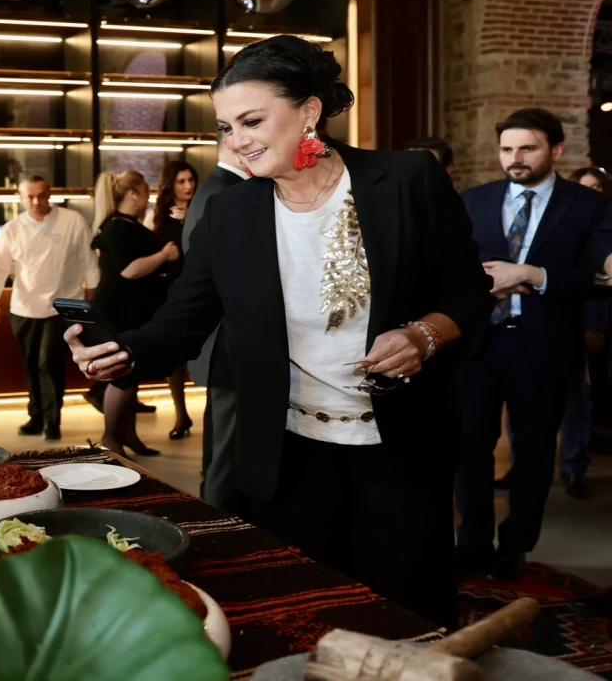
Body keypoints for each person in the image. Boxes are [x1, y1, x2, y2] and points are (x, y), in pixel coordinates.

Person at [65, 35, 492, 627]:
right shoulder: (231, 214)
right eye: (225, 127)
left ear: (310, 111)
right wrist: (121, 351)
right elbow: (184, 321)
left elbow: (469, 293)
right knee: (302, 611)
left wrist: (424, 334)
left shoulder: (406, 179)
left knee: (405, 613)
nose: (237, 140)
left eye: (251, 120)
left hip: (398, 448)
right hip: (286, 452)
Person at [457, 111, 612, 584]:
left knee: (533, 453)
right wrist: (478, 281)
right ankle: (474, 542)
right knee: (470, 450)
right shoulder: (473, 200)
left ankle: (516, 544)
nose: (515, 159)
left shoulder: (588, 206)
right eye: (507, 149)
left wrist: (533, 275)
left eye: (527, 149)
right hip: (477, 347)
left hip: (543, 347)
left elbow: (601, 279)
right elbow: (447, 265)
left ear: (556, 150)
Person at [0, 177, 99, 440]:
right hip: (23, 307)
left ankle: (52, 420)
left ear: (50, 194)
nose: (36, 202)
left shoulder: (72, 220)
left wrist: (92, 292)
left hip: (61, 305)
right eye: (30, 197)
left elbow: (88, 257)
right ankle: (36, 415)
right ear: (21, 198)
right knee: (30, 364)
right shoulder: (13, 228)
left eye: (41, 195)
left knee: (49, 363)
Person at [91, 170, 179, 457]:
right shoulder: (119, 227)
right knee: (122, 373)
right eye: (145, 190)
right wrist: (164, 256)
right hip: (120, 310)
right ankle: (111, 437)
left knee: (131, 371)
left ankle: (128, 434)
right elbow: (129, 270)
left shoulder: (123, 225)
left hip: (129, 309)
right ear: (133, 194)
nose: (148, 196)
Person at [184, 141, 249, 510]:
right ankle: (218, 522)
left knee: (218, 443)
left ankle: (214, 507)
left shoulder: (212, 189)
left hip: (217, 339)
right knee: (226, 447)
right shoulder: (226, 193)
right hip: (229, 338)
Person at [150, 161, 198, 440]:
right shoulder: (158, 217)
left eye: (190, 179)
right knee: (175, 359)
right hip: (169, 290)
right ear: (171, 185)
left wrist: (191, 217)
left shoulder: (203, 208)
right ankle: (181, 414)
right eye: (181, 181)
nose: (188, 186)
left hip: (200, 289)